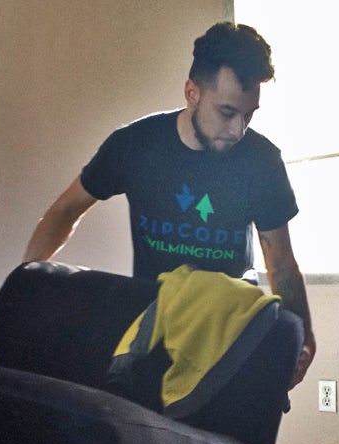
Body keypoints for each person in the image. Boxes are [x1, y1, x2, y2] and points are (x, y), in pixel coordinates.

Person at [22, 21, 316, 388]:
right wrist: (27, 280)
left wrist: (301, 334)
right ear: (192, 92)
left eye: (249, 114)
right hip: (152, 326)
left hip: (229, 330)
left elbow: (282, 265)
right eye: (227, 113)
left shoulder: (261, 161)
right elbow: (66, 210)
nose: (238, 130)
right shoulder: (134, 146)